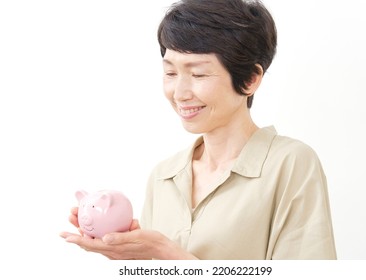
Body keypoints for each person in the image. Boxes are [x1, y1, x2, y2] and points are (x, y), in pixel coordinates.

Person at [60, 0, 337, 260]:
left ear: (251, 79)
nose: (179, 93)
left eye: (198, 74)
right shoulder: (163, 177)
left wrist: (168, 253)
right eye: (170, 73)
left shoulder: (290, 164)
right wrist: (136, 258)